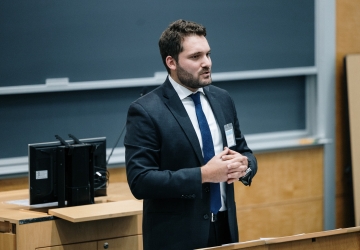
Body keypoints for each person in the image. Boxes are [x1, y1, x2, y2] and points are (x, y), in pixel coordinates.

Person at [124, 19, 257, 250]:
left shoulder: (223, 99)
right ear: (171, 62)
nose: (207, 63)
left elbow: (243, 152)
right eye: (196, 57)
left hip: (225, 229)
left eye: (208, 54)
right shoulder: (147, 110)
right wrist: (203, 174)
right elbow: (141, 181)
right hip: (176, 237)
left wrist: (245, 165)